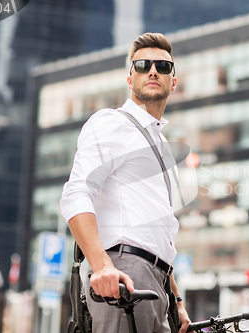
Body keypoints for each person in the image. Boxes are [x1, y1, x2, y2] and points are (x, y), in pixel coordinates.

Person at [60, 32, 191, 333]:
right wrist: (103, 264)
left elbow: (158, 235)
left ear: (173, 81)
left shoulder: (163, 146)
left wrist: (177, 300)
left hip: (158, 282)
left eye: (163, 66)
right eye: (143, 65)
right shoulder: (111, 123)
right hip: (124, 271)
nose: (153, 71)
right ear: (130, 79)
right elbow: (76, 193)